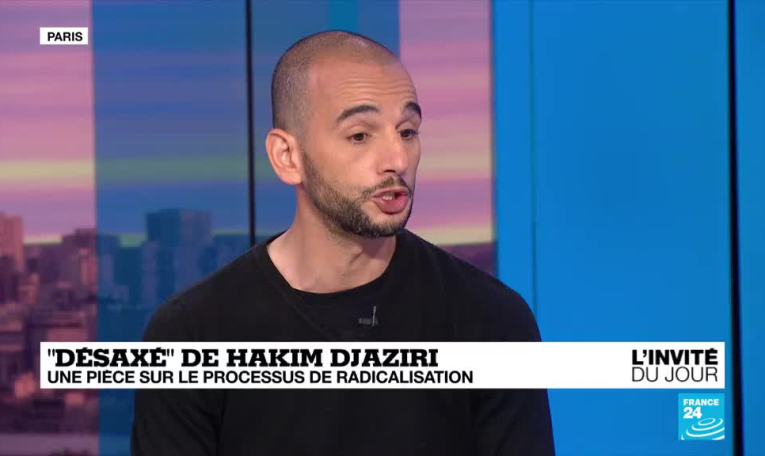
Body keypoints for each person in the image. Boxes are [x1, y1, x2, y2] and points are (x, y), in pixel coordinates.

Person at [131, 30, 555, 456]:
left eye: (407, 132)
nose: (397, 160)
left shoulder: (491, 321)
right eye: (360, 136)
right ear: (287, 157)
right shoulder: (192, 335)